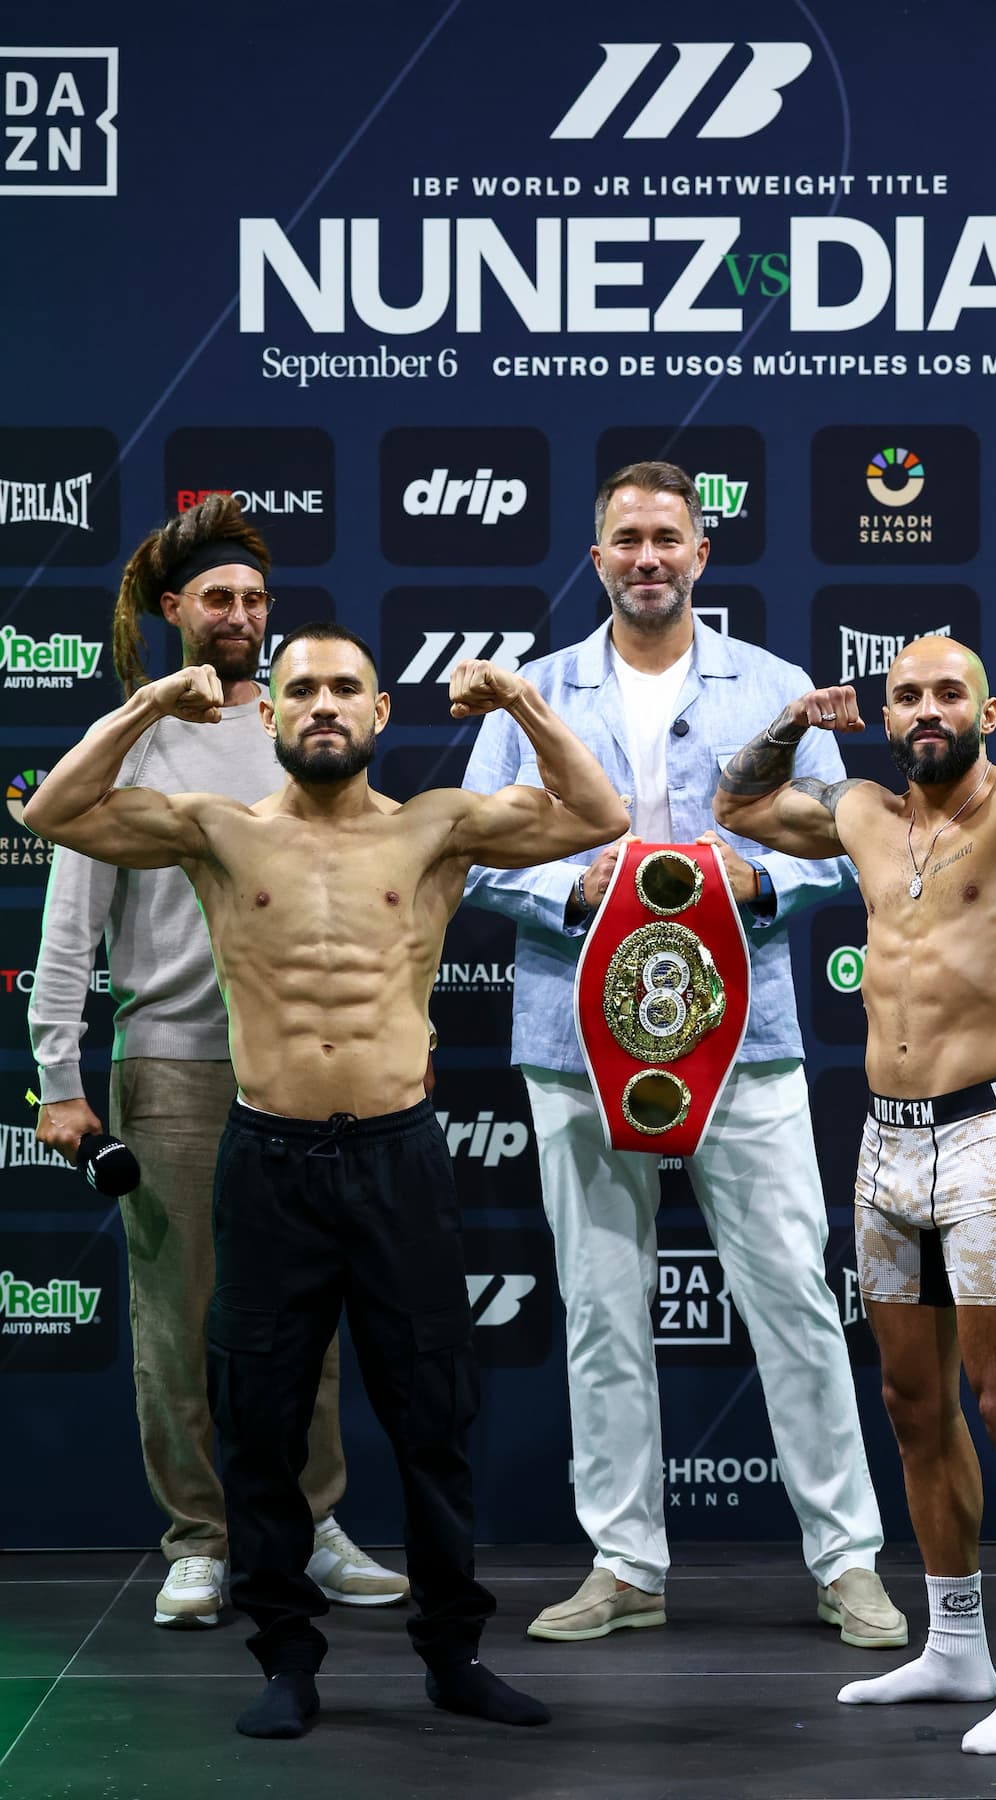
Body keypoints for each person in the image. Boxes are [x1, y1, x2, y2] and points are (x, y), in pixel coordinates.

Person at [23, 619, 630, 1739]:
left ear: (378, 712)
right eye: (300, 690)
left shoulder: (437, 830)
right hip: (270, 1161)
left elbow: (602, 817)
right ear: (270, 713)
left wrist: (520, 703)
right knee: (258, 1424)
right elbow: (51, 811)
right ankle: (287, 1657)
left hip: (397, 1158)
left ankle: (452, 1654)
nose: (322, 707)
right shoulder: (218, 831)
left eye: (345, 689)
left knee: (433, 1420)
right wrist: (156, 705)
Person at [462, 461, 905, 1651]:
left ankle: (848, 1562)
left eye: (667, 538)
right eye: (625, 539)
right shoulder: (535, 695)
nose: (647, 557)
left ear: (703, 555)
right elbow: (475, 850)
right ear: (596, 557)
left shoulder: (773, 688)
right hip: (574, 1040)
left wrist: (766, 877)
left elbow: (843, 842)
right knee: (604, 1312)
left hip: (744, 1036)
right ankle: (624, 1564)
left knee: (796, 1305)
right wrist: (575, 883)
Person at [712, 636, 996, 1755]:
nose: (926, 710)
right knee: (912, 1409)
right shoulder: (865, 812)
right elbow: (738, 805)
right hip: (888, 1150)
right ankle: (956, 1645)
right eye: (907, 696)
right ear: (886, 716)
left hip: (990, 1144)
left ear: (986, 709)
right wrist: (792, 723)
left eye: (947, 695)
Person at [29, 496, 406, 1628]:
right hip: (181, 1069)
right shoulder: (132, 741)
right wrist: (58, 1075)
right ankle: (199, 1537)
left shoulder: (309, 725)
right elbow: (67, 922)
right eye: (217, 600)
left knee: (309, 1321)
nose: (238, 616)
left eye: (253, 600)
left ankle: (313, 1521)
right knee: (179, 1317)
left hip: (298, 1071)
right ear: (176, 611)